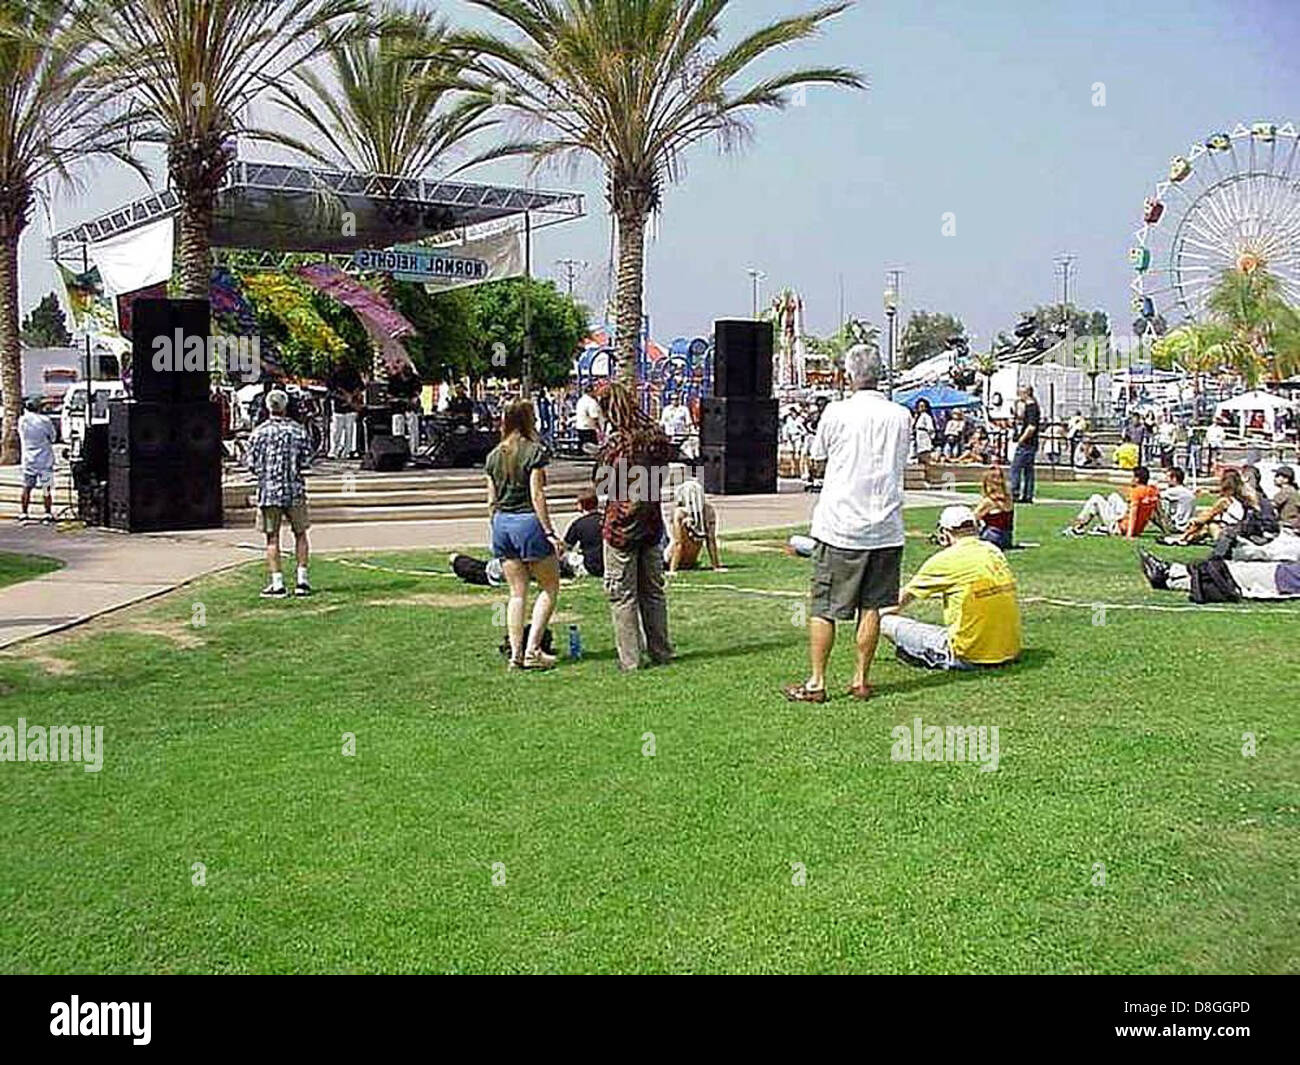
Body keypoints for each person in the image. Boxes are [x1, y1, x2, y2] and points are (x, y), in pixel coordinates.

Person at [783, 346, 911, 703]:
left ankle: (817, 681)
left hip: (840, 524)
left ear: (848, 375)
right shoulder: (900, 415)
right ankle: (860, 679)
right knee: (872, 606)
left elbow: (818, 457)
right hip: (885, 525)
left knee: (824, 606)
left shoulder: (836, 412)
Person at [596, 380, 677, 671]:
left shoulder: (618, 443)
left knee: (622, 594)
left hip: (621, 525)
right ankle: (661, 651)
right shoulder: (654, 436)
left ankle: (630, 660)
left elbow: (606, 485)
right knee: (653, 591)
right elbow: (665, 473)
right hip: (651, 522)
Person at [879, 505, 1022, 670]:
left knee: (886, 621)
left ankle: (923, 654)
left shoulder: (944, 560)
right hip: (1009, 650)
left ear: (945, 532)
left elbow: (897, 602)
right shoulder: (994, 551)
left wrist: (868, 620)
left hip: (969, 655)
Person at [484, 400, 563, 670]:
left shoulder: (493, 455)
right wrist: (550, 532)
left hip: (501, 523)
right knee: (549, 586)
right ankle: (533, 650)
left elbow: (491, 500)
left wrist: (494, 527)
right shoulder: (534, 452)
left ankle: (515, 653)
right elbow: (537, 494)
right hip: (527, 521)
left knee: (516, 592)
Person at [246, 389, 313, 597]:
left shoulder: (258, 433)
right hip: (294, 489)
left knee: (272, 538)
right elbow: (307, 461)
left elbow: (251, 464)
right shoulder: (299, 431)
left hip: (269, 492)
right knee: (300, 534)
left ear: (268, 407)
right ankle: (302, 580)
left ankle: (277, 583)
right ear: (285, 407)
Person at [1138, 550, 1300, 603]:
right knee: (1223, 574)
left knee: (1224, 572)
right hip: (1279, 572)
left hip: (1278, 578)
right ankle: (1167, 578)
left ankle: (1169, 572)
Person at [1162, 467, 1253, 547]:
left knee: (1206, 523)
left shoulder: (1225, 501)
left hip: (1229, 532)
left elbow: (1208, 516)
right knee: (1204, 526)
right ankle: (1185, 539)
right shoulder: (1242, 498)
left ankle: (1182, 538)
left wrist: (1195, 520)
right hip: (1240, 529)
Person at [1064, 465, 1160, 539]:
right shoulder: (1153, 490)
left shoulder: (1136, 492)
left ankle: (1077, 527)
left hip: (1120, 528)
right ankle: (1103, 527)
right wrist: (1166, 531)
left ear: (1137, 479)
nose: (1131, 479)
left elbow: (1133, 514)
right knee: (1114, 497)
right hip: (1136, 528)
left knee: (1096, 498)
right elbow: (1157, 512)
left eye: (1133, 477)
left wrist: (1129, 535)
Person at [664, 478, 722, 574]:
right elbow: (711, 541)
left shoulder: (680, 513)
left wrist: (672, 570)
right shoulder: (708, 510)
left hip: (674, 558)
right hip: (691, 559)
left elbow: (678, 543)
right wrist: (716, 566)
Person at [17, 397, 57, 524]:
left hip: (28, 460)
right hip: (45, 460)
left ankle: (24, 513)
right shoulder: (45, 420)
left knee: (27, 488)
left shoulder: (22, 420)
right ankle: (47, 513)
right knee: (46, 488)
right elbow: (53, 437)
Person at [562, 485, 605, 578]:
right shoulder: (606, 520)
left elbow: (566, 546)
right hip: (607, 564)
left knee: (566, 557)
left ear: (581, 505)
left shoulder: (578, 524)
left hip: (589, 566)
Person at [325, 360, 364, 459]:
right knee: (342, 429)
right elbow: (332, 391)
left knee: (342, 429)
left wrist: (350, 397)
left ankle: (344, 450)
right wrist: (348, 397)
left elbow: (359, 387)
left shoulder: (352, 374)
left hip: (348, 405)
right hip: (341, 404)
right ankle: (340, 450)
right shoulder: (335, 376)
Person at [1008, 385, 1040, 503]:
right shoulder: (1030, 407)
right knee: (1028, 470)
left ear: (1025, 393)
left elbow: (1031, 427)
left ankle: (1014, 493)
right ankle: (1027, 495)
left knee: (1015, 468)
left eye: (1020, 393)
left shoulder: (1032, 407)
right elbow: (1022, 420)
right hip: (1031, 443)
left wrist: (1021, 440)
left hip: (1027, 444)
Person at [973, 467, 1015, 550]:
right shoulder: (1008, 498)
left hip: (992, 536)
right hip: (1007, 538)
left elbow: (973, 518)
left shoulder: (989, 501)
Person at [1151, 466, 1198, 536]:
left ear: (1174, 478)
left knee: (1151, 506)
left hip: (1178, 525)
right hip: (1188, 524)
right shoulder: (1186, 490)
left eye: (1167, 477)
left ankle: (1166, 530)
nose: (1165, 479)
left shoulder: (1174, 491)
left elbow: (1155, 496)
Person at [912, 398, 937, 485]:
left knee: (926, 459)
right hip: (917, 438)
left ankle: (929, 478)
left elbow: (931, 429)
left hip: (924, 437)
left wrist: (930, 439)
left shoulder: (927, 416)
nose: (920, 408)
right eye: (919, 406)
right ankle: (922, 479)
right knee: (920, 460)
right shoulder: (917, 417)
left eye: (922, 406)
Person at [574, 383, 603, 451]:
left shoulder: (581, 400)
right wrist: (599, 428)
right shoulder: (591, 402)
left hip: (580, 427)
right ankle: (623, 461)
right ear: (591, 392)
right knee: (591, 449)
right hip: (589, 428)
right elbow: (594, 416)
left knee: (583, 448)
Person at [1271, 464, 1300, 532]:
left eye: (1277, 476)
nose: (1275, 478)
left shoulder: (1287, 491)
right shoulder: (1292, 490)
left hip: (1289, 524)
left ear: (1286, 479)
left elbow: (1272, 505)